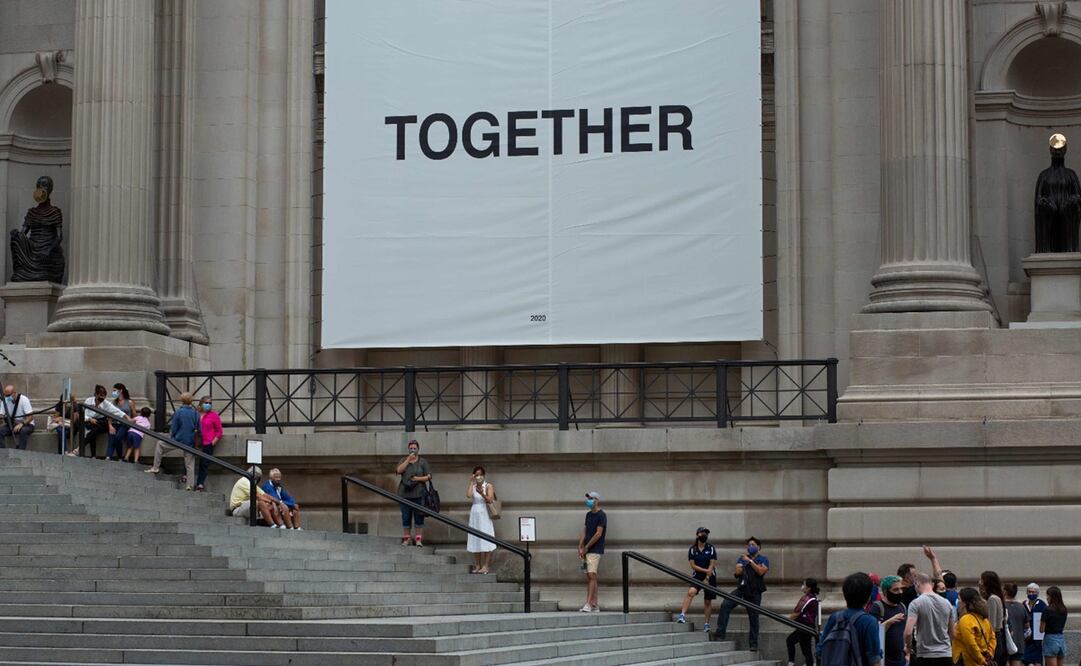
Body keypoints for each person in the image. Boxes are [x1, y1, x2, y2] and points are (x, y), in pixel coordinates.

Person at [816, 571, 882, 666]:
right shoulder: (870, 621)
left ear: (845, 594)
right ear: (868, 597)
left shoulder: (835, 617)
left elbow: (820, 650)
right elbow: (874, 660)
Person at [715, 536, 769, 650]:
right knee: (726, 604)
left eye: (753, 545)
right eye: (749, 545)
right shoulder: (742, 558)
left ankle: (753, 644)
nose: (750, 547)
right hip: (742, 588)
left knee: (754, 617)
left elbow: (761, 571)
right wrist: (748, 564)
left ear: (758, 547)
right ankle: (720, 634)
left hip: (754, 591)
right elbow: (738, 571)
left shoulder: (763, 559)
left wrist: (750, 562)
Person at [146, 393, 199, 487]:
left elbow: (174, 428)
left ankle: (155, 467)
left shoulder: (178, 412)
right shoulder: (195, 413)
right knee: (190, 464)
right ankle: (190, 485)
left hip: (178, 439)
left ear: (182, 400)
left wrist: (172, 436)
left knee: (160, 444)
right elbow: (199, 428)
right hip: (190, 441)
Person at [904, 572, 956, 666]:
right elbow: (952, 633)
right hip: (945, 655)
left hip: (925, 655)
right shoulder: (947, 603)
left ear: (917, 584)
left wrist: (908, 647)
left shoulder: (916, 603)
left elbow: (908, 632)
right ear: (931, 584)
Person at [676, 527, 718, 631]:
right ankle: (682, 615)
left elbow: (712, 564)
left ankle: (706, 624)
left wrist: (707, 577)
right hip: (698, 575)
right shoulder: (692, 549)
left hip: (710, 575)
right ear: (697, 535)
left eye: (706, 534)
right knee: (691, 592)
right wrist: (704, 571)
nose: (704, 535)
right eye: (702, 533)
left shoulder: (711, 548)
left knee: (707, 601)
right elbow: (693, 565)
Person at [395, 439, 431, 547]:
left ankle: (418, 540)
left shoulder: (423, 461)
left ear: (418, 449)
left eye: (415, 448)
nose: (413, 450)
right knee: (406, 517)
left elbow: (429, 476)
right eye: (411, 448)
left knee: (419, 518)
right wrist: (407, 460)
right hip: (404, 494)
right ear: (408, 449)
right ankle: (407, 539)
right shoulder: (403, 460)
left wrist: (417, 479)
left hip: (419, 494)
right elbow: (398, 471)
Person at [577, 491, 606, 613]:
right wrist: (580, 545)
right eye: (588, 498)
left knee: (591, 575)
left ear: (597, 500)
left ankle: (588, 604)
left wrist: (587, 547)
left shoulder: (601, 515)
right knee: (591, 576)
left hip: (595, 549)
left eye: (591, 498)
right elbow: (585, 530)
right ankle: (594, 604)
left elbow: (598, 534)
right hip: (587, 549)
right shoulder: (588, 515)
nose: (588, 500)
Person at [870, 575, 908, 666]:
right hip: (885, 660)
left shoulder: (902, 606)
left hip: (901, 660)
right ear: (886, 592)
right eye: (895, 590)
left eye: (901, 589)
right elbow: (874, 633)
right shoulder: (877, 607)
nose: (900, 592)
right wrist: (890, 621)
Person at [953, 587, 997, 666]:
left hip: (967, 661)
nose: (958, 602)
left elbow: (970, 644)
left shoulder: (965, 620)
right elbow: (993, 638)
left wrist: (981, 659)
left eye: (959, 599)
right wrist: (990, 653)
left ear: (965, 603)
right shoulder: (984, 619)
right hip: (984, 660)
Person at [465, 466, 496, 574]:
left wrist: (482, 493)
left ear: (484, 475)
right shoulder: (473, 486)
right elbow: (468, 495)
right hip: (475, 513)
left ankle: (486, 566)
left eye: (480, 475)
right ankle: (477, 565)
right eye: (476, 475)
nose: (479, 477)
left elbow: (490, 499)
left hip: (485, 513)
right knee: (475, 538)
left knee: (487, 538)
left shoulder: (488, 485)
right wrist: (471, 482)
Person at [83, 385, 128, 458]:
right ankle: (93, 455)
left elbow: (116, 411)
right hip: (89, 421)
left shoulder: (106, 403)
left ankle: (80, 449)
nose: (102, 398)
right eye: (101, 395)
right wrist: (90, 419)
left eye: (104, 396)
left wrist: (126, 417)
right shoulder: (88, 401)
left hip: (100, 423)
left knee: (95, 430)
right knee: (93, 431)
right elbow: (83, 413)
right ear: (96, 394)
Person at [785, 577, 819, 666]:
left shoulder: (807, 598)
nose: (802, 586)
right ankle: (791, 662)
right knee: (790, 640)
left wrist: (788, 619)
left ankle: (793, 662)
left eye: (804, 584)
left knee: (806, 650)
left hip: (805, 627)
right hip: (804, 627)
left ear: (809, 588)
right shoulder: (812, 598)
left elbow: (796, 612)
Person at [194, 396, 222, 491]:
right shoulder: (196, 414)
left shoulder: (214, 415)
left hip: (208, 443)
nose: (208, 405)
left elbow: (219, 431)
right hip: (195, 442)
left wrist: (213, 442)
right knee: (190, 461)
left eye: (210, 403)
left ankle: (200, 484)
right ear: (201, 404)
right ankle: (186, 479)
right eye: (206, 403)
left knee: (204, 464)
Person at [981, 570, 1007, 666]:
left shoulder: (992, 599)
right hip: (997, 636)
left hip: (994, 637)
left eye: (982, 580)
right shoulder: (996, 597)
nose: (980, 583)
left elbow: (991, 624)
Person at [0, 384, 35, 450]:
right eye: (5, 395)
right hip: (12, 424)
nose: (6, 397)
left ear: (14, 393)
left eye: (8, 395)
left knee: (23, 431)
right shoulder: (5, 401)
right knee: (0, 431)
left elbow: (30, 417)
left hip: (27, 424)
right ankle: (2, 452)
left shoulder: (24, 399)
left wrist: (22, 424)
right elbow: (1, 416)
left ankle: (20, 452)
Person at [105, 383, 133, 461]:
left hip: (125, 424)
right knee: (111, 438)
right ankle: (108, 457)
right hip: (114, 423)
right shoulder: (113, 402)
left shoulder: (129, 402)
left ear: (120, 391)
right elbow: (110, 415)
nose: (113, 392)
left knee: (118, 437)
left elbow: (134, 415)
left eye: (114, 390)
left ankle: (120, 456)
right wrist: (110, 426)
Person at [1039, 586, 1067, 666]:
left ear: (1051, 597)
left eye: (1047, 596)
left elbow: (1041, 629)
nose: (1047, 598)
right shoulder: (1064, 609)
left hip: (1050, 639)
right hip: (1061, 638)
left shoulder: (1047, 610)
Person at [1022, 583, 1047, 666]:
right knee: (1026, 659)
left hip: (1037, 638)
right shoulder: (1024, 604)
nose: (1031, 594)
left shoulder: (1042, 605)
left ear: (1037, 593)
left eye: (1033, 592)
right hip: (1026, 637)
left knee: (1037, 661)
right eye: (1029, 592)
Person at [1004, 583, 1027, 666]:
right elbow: (1027, 626)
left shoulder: (1002, 606)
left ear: (1005, 592)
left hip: (1004, 643)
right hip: (1019, 642)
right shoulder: (1021, 606)